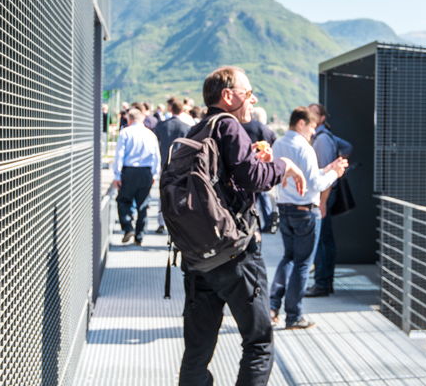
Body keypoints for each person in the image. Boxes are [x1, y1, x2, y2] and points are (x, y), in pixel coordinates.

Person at [179, 66, 305, 386]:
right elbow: (254, 179)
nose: (253, 99)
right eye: (248, 93)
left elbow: (227, 180)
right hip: (235, 256)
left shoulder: (196, 131)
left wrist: (255, 165)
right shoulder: (230, 127)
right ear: (228, 95)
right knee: (259, 343)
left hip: (197, 256)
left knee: (197, 350)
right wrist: (284, 166)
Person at [269, 107, 348, 330]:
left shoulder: (278, 144)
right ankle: (294, 315)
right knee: (303, 264)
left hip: (285, 208)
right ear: (302, 124)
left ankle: (273, 306)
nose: (313, 132)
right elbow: (315, 184)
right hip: (306, 211)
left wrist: (326, 169)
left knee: (288, 258)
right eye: (312, 127)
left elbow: (300, 175)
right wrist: (335, 173)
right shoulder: (305, 148)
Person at [304, 104, 353, 297]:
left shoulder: (321, 140)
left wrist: (322, 201)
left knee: (322, 241)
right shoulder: (324, 136)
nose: (309, 115)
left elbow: (323, 177)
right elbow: (348, 147)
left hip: (323, 195)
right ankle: (325, 282)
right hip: (326, 194)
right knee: (325, 240)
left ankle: (322, 283)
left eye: (314, 112)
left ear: (322, 117)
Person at [113, 108, 161, 246]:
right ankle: (139, 237)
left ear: (130, 119)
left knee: (123, 200)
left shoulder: (125, 133)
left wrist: (117, 174)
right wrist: (154, 174)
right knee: (143, 205)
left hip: (129, 171)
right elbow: (156, 155)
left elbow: (119, 155)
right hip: (146, 172)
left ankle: (128, 227)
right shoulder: (150, 134)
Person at [153, 101, 191, 234]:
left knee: (163, 193)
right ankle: (178, 223)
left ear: (171, 109)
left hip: (165, 163)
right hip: (181, 165)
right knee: (180, 194)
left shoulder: (162, 126)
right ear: (182, 111)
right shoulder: (186, 127)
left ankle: (161, 222)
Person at [242, 107, 279, 233]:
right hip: (262, 166)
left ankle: (248, 223)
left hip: (245, 167)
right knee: (263, 194)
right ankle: (268, 222)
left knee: (249, 198)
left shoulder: (242, 127)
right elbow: (275, 142)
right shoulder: (266, 130)